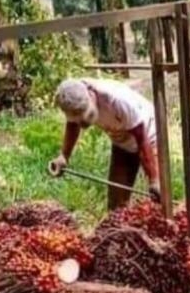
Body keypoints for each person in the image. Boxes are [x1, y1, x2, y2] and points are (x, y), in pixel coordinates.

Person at [49, 78, 160, 210]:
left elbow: (142, 139)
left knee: (159, 196)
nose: (83, 122)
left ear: (91, 95)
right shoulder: (71, 96)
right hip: (121, 140)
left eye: (86, 116)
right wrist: (64, 156)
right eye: (79, 121)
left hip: (149, 135)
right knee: (116, 204)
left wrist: (154, 179)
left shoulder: (118, 101)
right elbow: (72, 125)